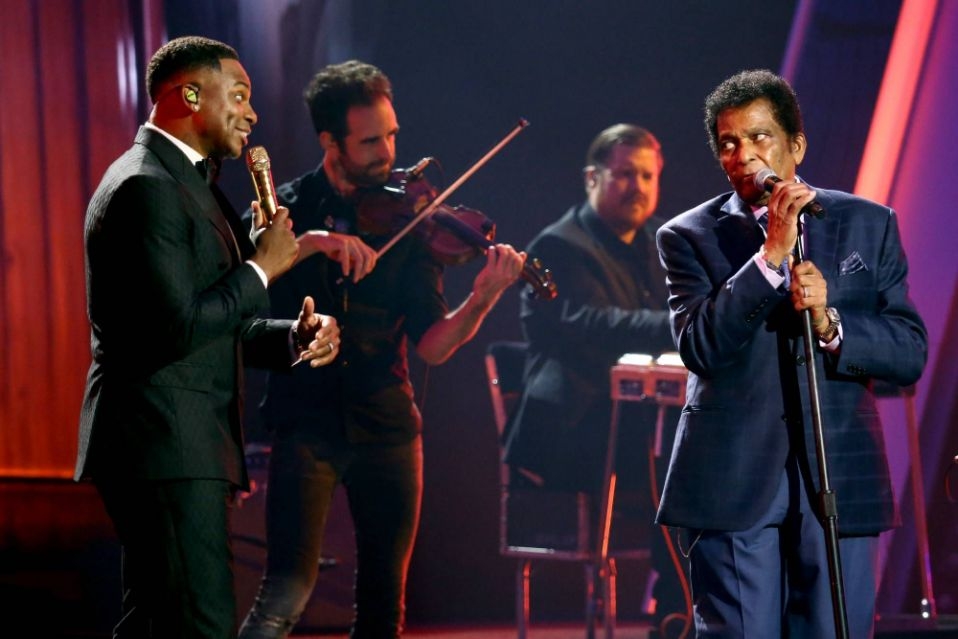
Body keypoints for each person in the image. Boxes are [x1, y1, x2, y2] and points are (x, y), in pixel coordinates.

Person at [238, 60, 525, 638]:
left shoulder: (415, 221)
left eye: (391, 134)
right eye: (370, 140)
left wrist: (483, 299)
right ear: (329, 140)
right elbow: (243, 278)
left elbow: (435, 346)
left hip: (389, 425)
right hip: (307, 424)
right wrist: (318, 242)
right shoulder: (285, 210)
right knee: (284, 595)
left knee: (382, 609)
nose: (388, 152)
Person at [74, 36, 340, 639]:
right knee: (199, 626)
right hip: (163, 441)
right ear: (189, 94)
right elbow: (176, 330)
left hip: (178, 441)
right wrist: (261, 268)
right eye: (239, 95)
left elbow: (214, 325)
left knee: (158, 623)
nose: (252, 113)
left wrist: (292, 338)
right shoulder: (145, 186)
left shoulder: (188, 182)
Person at [654, 69, 928, 638]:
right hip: (733, 479)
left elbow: (908, 351)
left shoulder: (867, 224)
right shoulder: (688, 237)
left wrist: (832, 324)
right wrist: (770, 258)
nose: (744, 155)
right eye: (728, 144)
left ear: (795, 146)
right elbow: (701, 346)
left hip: (838, 475)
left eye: (759, 138)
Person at [502, 124, 686, 635]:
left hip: (632, 432)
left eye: (648, 175)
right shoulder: (558, 246)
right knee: (683, 456)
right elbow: (590, 327)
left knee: (700, 449)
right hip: (573, 435)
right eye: (625, 174)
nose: (639, 186)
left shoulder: (662, 242)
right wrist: (682, 326)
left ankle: (683, 611)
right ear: (592, 177)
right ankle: (676, 610)